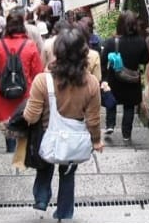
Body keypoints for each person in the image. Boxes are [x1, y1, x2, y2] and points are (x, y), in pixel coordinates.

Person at [23, 27, 103, 220]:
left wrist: (24, 116)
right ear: (84, 53)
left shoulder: (43, 81)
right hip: (75, 137)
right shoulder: (91, 83)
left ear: (57, 52)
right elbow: (93, 120)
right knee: (68, 172)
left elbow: (31, 116)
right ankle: (65, 212)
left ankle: (41, 198)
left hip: (46, 133)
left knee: (45, 163)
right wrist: (97, 141)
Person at [0, 8, 43, 152]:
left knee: (8, 124)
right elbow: (37, 73)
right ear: (22, 26)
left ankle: (10, 151)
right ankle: (22, 153)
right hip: (25, 94)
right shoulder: (30, 45)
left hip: (3, 94)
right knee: (24, 123)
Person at [100, 10, 149, 140]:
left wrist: (104, 79)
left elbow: (103, 61)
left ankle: (110, 124)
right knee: (129, 106)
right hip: (132, 79)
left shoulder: (111, 42)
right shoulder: (141, 41)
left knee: (112, 101)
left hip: (115, 78)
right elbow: (145, 60)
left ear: (119, 24)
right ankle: (126, 134)